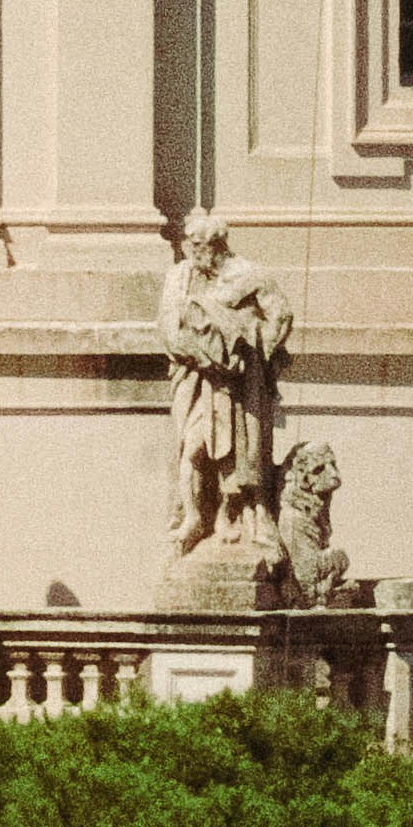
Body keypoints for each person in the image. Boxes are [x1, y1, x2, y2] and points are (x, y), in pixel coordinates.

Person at [164, 207, 291, 562]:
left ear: (218, 245)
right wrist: (204, 356)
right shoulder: (180, 277)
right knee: (192, 448)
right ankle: (192, 516)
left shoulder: (250, 275)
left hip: (239, 385)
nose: (194, 254)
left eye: (201, 247)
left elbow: (280, 316)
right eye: (190, 246)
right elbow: (169, 327)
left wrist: (250, 353)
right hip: (196, 379)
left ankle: (231, 512)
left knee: (236, 454)